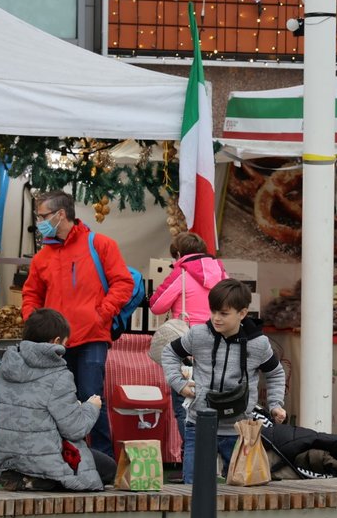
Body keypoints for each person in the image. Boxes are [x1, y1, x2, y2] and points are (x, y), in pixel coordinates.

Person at [21, 190, 134, 457]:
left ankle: (103, 461)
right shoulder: (42, 257)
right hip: (53, 343)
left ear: (61, 214)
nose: (39, 222)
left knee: (91, 398)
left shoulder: (101, 245)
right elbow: (31, 294)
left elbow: (123, 282)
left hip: (92, 337)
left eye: (43, 216)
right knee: (57, 401)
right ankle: (62, 458)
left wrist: (101, 314)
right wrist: (33, 322)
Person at [161, 278, 287, 484]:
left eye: (224, 313)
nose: (216, 318)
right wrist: (179, 384)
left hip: (239, 429)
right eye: (213, 312)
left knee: (242, 492)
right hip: (199, 423)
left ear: (243, 313)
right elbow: (169, 353)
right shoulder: (198, 334)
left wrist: (275, 405)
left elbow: (275, 373)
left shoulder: (259, 344)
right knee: (193, 488)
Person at [0, 308, 116, 491]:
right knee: (108, 468)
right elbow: (75, 429)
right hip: (45, 459)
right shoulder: (58, 375)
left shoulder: (3, 370)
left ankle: (26, 477)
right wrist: (90, 407)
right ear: (56, 341)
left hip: (6, 460)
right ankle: (44, 479)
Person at [149, 231, 228, 444]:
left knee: (184, 404)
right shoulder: (222, 274)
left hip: (188, 347)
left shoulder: (181, 274)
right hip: (220, 345)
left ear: (178, 254)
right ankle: (213, 462)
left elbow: (156, 306)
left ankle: (194, 464)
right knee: (214, 403)